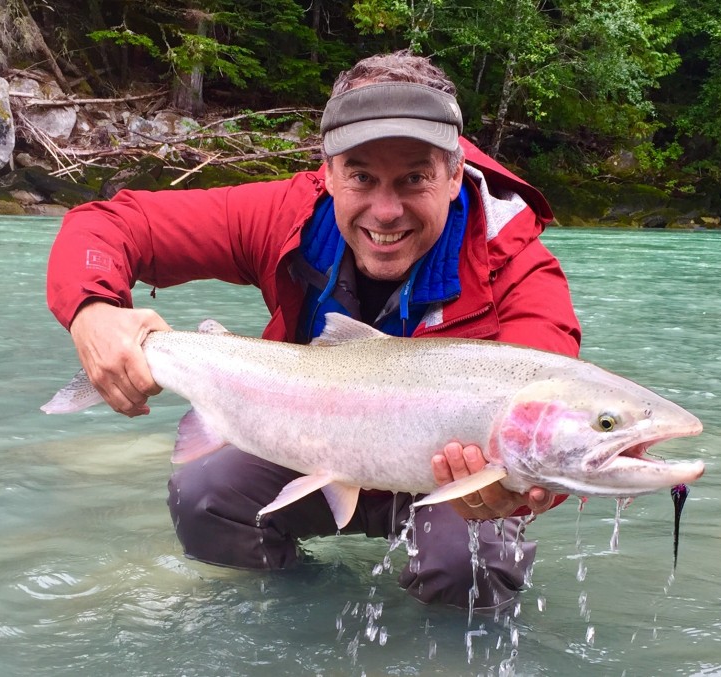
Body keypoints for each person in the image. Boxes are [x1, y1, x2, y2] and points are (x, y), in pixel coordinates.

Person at [46, 50, 581, 610]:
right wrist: (92, 311)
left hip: (447, 478)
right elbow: (106, 225)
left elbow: (556, 428)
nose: (386, 209)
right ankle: (290, 616)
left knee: (468, 563)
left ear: (455, 176)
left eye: (415, 179)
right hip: (309, 442)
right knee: (205, 494)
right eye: (362, 177)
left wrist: (514, 497)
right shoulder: (285, 215)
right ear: (327, 173)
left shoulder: (520, 269)